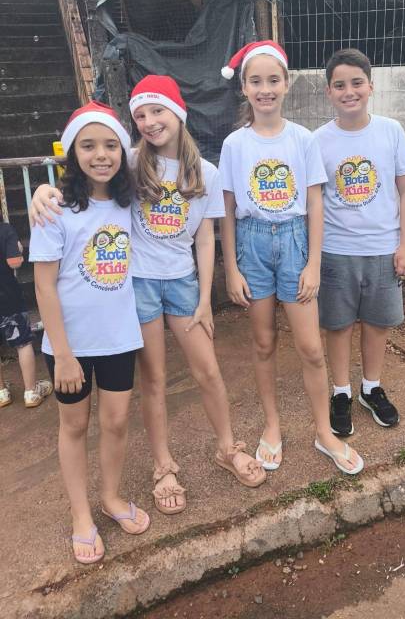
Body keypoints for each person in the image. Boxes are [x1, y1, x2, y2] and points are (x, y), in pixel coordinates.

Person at [30, 76, 266, 516]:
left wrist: (204, 298)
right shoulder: (131, 161)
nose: (150, 121)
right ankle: (163, 467)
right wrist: (44, 192)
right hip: (137, 284)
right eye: (140, 115)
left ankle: (228, 447)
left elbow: (205, 239)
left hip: (182, 283)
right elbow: (84, 180)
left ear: (179, 113)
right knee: (154, 379)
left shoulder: (206, 172)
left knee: (208, 370)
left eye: (158, 111)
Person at [219, 40, 364, 475]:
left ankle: (324, 431)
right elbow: (227, 210)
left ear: (287, 83)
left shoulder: (302, 139)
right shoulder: (234, 144)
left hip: (295, 242)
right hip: (252, 245)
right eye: (255, 81)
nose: (265, 89)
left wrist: (313, 263)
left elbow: (315, 203)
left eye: (273, 80)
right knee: (264, 343)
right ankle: (272, 425)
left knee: (311, 348)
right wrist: (231, 268)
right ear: (244, 87)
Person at [29, 102, 149, 565]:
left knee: (116, 422)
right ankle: (81, 515)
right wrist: (63, 355)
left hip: (119, 337)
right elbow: (44, 286)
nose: (101, 155)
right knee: (74, 426)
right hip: (70, 346)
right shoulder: (55, 209)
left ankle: (112, 497)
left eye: (110, 145)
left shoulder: (127, 201)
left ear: (122, 151)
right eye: (88, 145)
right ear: (72, 152)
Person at [314, 48, 405, 438]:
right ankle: (340, 391)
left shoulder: (391, 132)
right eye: (339, 85)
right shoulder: (318, 141)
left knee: (377, 323)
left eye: (357, 83)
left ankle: (370, 387)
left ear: (371, 86)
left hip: (383, 249)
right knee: (338, 324)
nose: (349, 92)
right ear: (329, 91)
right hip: (336, 250)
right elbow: (314, 201)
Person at [0, 214, 52, 408]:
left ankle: (1, 392)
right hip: (8, 297)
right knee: (22, 342)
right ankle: (31, 391)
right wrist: (19, 249)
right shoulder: (5, 230)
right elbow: (14, 262)